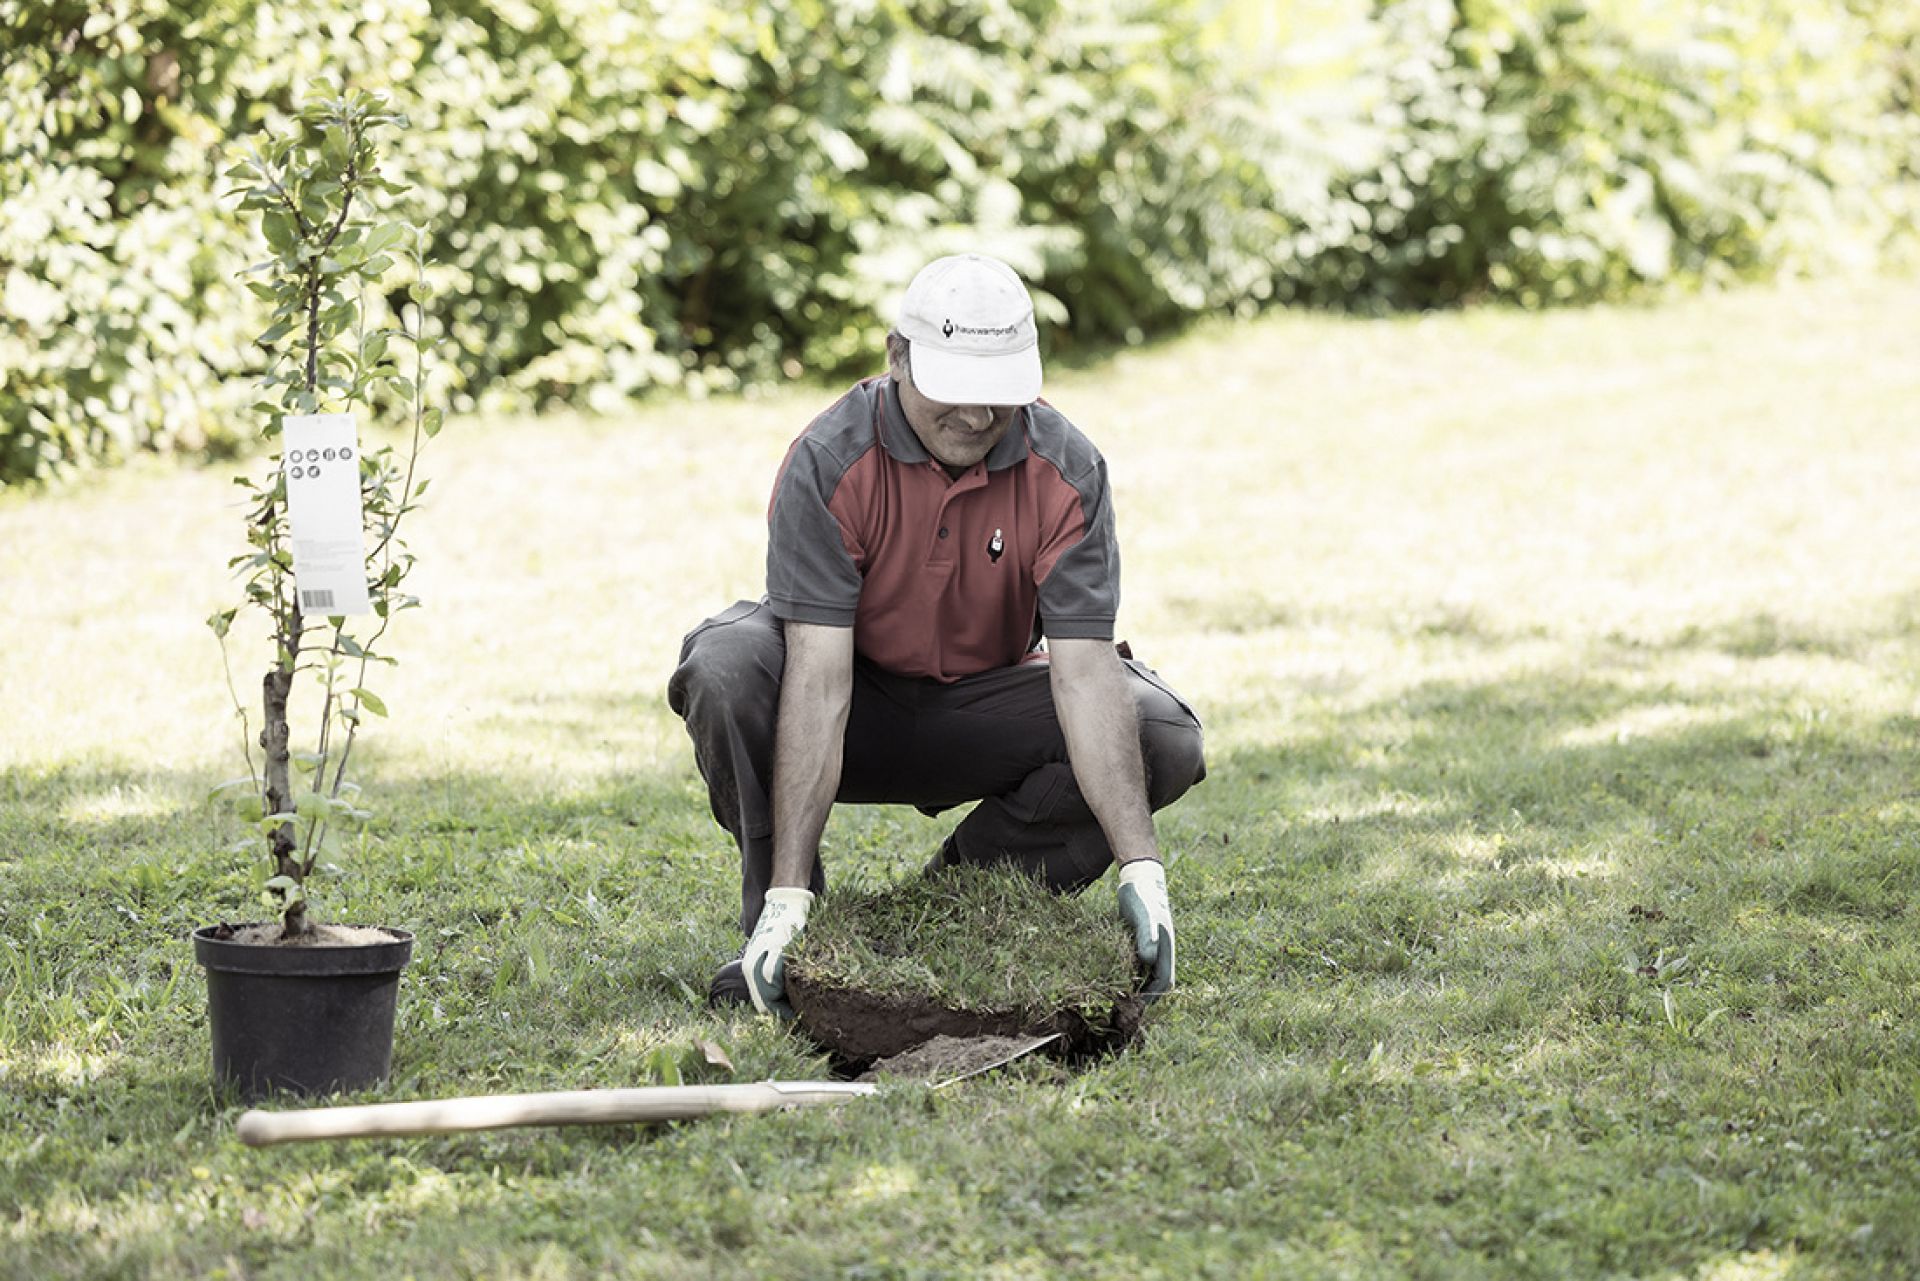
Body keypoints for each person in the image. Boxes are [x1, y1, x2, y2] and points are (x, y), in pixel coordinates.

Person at [667, 252, 1205, 1016]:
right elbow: (817, 678)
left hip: (984, 708)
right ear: (897, 358)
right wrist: (786, 894)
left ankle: (945, 914)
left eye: (998, 392)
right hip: (850, 702)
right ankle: (786, 929)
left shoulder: (1067, 467)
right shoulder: (831, 458)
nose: (977, 417)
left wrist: (1142, 870)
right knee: (725, 666)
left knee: (1161, 732)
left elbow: (1085, 674)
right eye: (953, 388)